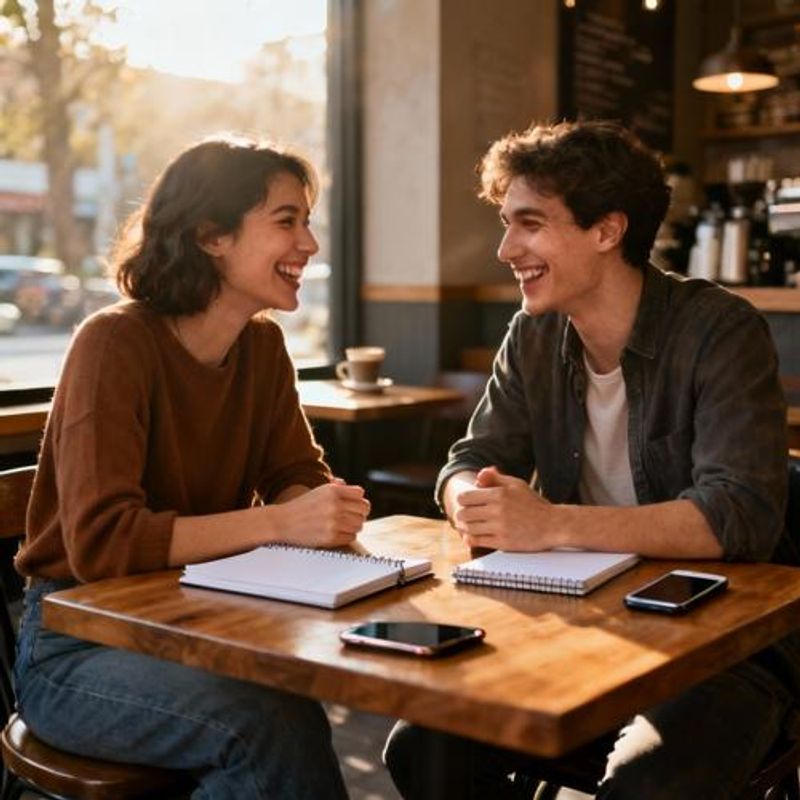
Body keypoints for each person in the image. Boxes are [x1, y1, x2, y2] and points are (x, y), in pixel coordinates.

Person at [383, 120, 798, 799]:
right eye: (505, 223)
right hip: (581, 624)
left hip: (725, 645)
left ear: (607, 230)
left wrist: (550, 524)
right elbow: (472, 456)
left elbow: (739, 516)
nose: (504, 248)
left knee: (647, 788)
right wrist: (469, 498)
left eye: (530, 224)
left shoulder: (720, 329)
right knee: (423, 749)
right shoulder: (534, 333)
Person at [14, 134, 371, 799]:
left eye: (308, 221)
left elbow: (296, 468)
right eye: (287, 221)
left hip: (197, 624)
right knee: (265, 721)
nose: (311, 244)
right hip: (75, 649)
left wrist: (314, 507)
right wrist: (280, 524)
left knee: (289, 703)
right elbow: (104, 543)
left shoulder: (261, 346)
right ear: (212, 235)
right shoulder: (114, 343)